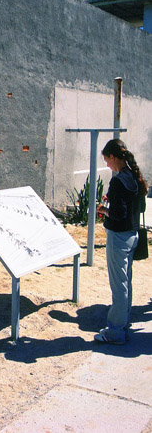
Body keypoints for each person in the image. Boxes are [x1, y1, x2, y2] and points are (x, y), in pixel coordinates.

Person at [94, 138, 147, 344]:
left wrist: (104, 210)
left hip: (119, 237)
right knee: (126, 284)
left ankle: (115, 332)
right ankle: (122, 325)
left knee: (119, 287)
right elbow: (137, 208)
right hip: (133, 235)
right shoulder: (134, 176)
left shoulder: (117, 180)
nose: (107, 163)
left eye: (107, 159)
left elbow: (118, 213)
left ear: (114, 157)